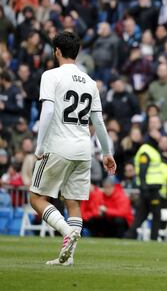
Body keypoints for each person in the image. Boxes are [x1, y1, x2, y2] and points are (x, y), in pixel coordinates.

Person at [29, 31, 116, 266]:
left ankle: (67, 231)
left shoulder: (51, 75)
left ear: (56, 51)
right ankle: (68, 258)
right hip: (83, 150)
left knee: (36, 198)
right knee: (73, 203)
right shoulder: (90, 82)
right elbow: (98, 123)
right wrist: (107, 153)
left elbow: (47, 112)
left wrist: (39, 145)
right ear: (76, 53)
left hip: (57, 146)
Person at [124, 129, 165, 240]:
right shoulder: (146, 150)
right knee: (156, 214)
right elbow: (142, 170)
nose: (160, 137)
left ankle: (130, 235)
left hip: (150, 187)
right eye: (157, 135)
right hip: (150, 188)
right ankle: (153, 238)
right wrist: (144, 187)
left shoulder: (151, 149)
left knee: (142, 214)